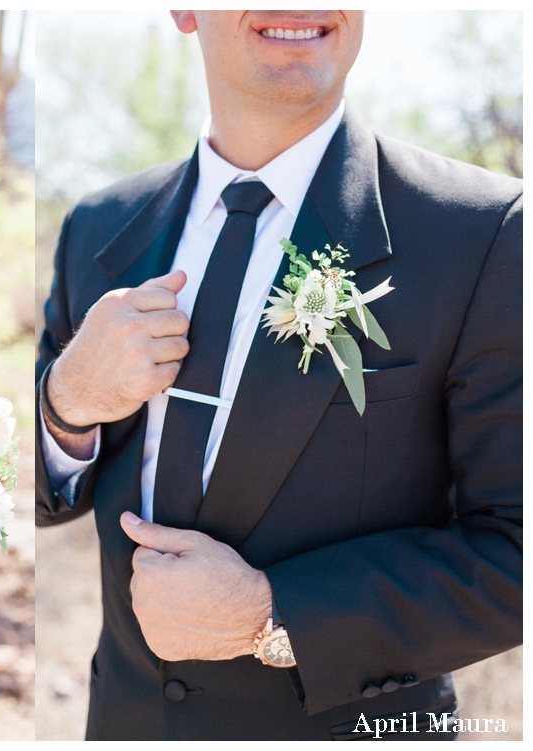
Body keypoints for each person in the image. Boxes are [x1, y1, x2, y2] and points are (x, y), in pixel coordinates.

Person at [36, 10, 521, 741]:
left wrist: (270, 615)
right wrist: (66, 403)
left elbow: (515, 552)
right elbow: (29, 499)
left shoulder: (484, 233)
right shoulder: (98, 226)